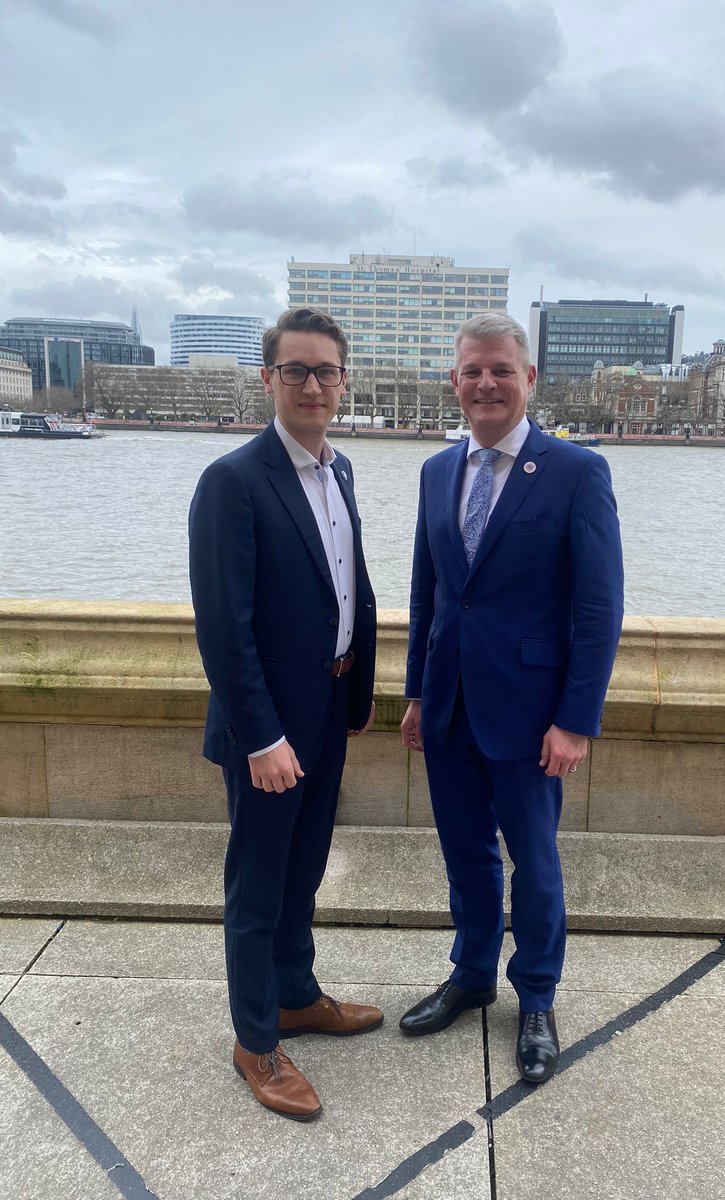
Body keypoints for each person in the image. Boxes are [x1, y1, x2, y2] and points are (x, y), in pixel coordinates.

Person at [399, 313, 624, 1085]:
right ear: (454, 383)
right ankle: (470, 975)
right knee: (464, 854)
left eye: (500, 369)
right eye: (472, 371)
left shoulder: (575, 472)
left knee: (534, 861)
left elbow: (599, 609)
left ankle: (536, 998)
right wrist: (418, 694)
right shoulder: (436, 472)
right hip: (450, 705)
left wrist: (575, 719)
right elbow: (429, 593)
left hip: (532, 717)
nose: (486, 383)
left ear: (528, 380)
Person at [189, 308, 381, 1121]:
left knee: (303, 872)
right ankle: (255, 1040)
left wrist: (357, 693)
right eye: (295, 370)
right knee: (259, 887)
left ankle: (298, 995)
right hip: (269, 724)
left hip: (328, 704)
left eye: (325, 371)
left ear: (343, 381)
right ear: (268, 380)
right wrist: (261, 736)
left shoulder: (338, 472)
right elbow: (222, 626)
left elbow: (348, 588)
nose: (312, 385)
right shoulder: (233, 481)